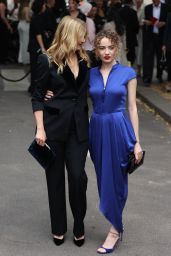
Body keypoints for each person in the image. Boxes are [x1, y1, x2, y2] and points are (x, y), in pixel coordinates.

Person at [31, 16, 90, 247]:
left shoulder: (86, 59)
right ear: (69, 34)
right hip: (53, 130)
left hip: (78, 129)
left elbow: (106, 64)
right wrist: (40, 129)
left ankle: (79, 223)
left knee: (78, 177)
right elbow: (37, 97)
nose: (85, 39)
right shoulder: (47, 60)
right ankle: (58, 228)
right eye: (81, 34)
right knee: (54, 180)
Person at [89, 30, 143, 254]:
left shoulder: (128, 73)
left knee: (117, 180)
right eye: (101, 48)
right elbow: (74, 98)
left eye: (110, 47)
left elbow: (132, 107)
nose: (106, 52)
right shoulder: (89, 74)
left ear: (117, 48)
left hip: (119, 129)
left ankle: (115, 229)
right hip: (97, 130)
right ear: (96, 51)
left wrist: (137, 142)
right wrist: (48, 92)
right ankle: (115, 223)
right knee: (103, 179)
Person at [142, 0, 170, 85]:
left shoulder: (166, 7)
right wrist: (146, 22)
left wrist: (164, 23)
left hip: (161, 37)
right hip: (150, 36)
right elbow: (145, 19)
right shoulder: (147, 8)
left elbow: (169, 21)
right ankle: (147, 77)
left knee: (160, 57)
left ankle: (159, 75)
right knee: (148, 57)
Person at [28, 0, 47, 95]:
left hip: (33, 47)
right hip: (35, 48)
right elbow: (38, 34)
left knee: (35, 68)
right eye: (44, 5)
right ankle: (34, 89)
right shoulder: (37, 18)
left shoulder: (37, 17)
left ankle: (33, 87)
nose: (45, 7)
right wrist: (43, 48)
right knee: (36, 69)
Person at [17, 0, 30, 64]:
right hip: (25, 25)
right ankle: (26, 59)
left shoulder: (20, 8)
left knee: (21, 43)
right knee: (26, 43)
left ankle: (20, 59)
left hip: (20, 24)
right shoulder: (27, 8)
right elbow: (27, 19)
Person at [162, 12, 171, 92]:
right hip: (170, 44)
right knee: (170, 65)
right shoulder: (169, 15)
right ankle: (168, 83)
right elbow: (167, 30)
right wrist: (164, 44)